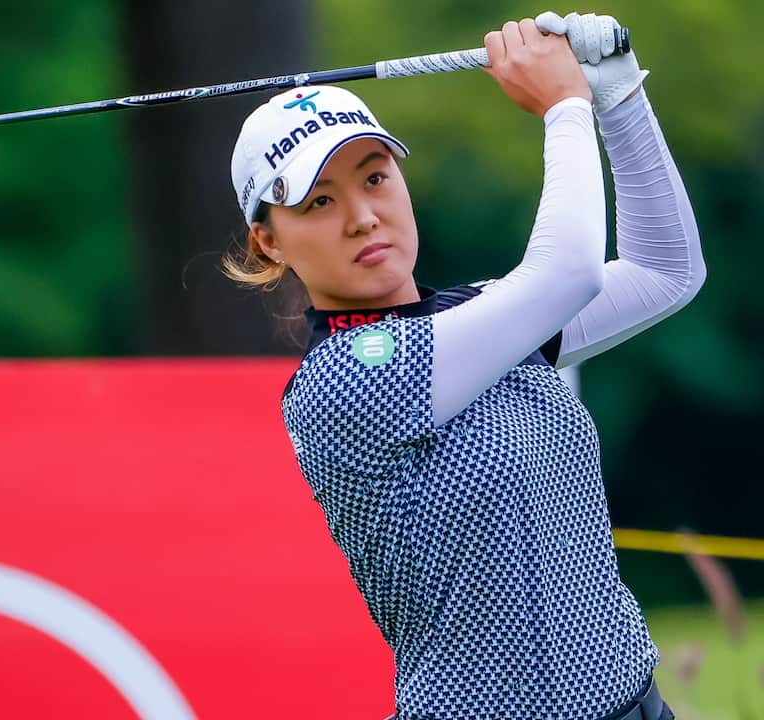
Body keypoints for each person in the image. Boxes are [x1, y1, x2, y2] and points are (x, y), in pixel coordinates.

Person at [224, 11, 705, 720]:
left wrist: (619, 94)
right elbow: (568, 273)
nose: (362, 217)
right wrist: (564, 107)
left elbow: (666, 271)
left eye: (375, 178)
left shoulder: (484, 316)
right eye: (319, 201)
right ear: (268, 242)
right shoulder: (339, 383)